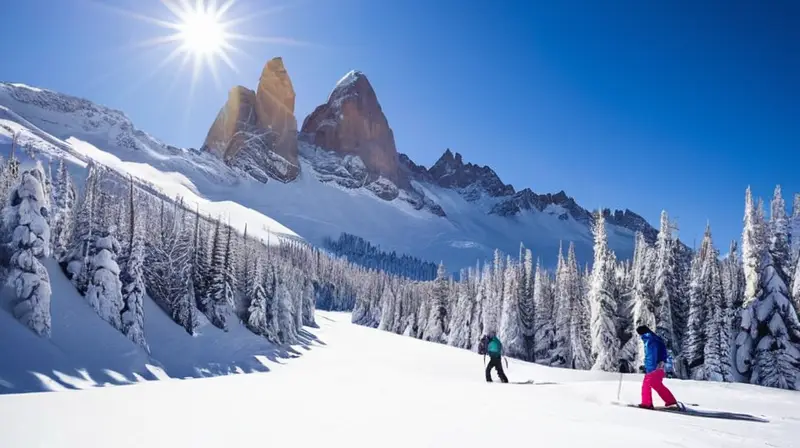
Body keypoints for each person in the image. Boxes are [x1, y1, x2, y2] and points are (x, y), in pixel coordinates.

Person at [636, 325, 677, 409]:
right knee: (657, 384)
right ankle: (671, 401)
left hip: (654, 367)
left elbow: (651, 355)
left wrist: (649, 368)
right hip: (660, 366)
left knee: (646, 384)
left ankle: (646, 403)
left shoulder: (649, 340)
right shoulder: (656, 339)